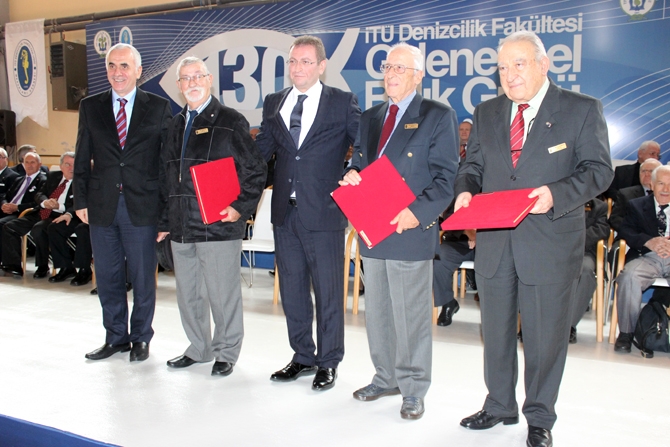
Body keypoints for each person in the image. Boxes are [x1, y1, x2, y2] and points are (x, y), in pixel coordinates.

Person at [454, 31, 613, 447]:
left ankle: (540, 417)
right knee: (496, 332)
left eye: (519, 64)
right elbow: (472, 167)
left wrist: (555, 195)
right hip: (494, 241)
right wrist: (465, 191)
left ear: (544, 65)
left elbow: (599, 170)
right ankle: (499, 404)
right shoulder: (486, 112)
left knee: (544, 339)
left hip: (549, 241)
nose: (509, 75)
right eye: (502, 68)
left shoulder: (581, 109)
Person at [341, 42, 459, 420]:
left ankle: (413, 388)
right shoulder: (370, 117)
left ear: (418, 76)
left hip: (410, 228)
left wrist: (417, 214)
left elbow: (446, 179)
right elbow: (360, 162)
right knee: (378, 313)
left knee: (410, 316)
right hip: (373, 227)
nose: (391, 74)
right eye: (388, 67)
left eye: (400, 68)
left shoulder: (437, 115)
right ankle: (385, 377)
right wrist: (351, 173)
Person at [255, 35, 360, 391]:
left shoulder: (341, 102)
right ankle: (302, 355)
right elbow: (259, 151)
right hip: (284, 212)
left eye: (305, 61)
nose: (297, 68)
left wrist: (354, 168)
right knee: (293, 289)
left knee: (328, 291)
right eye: (293, 61)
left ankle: (328, 361)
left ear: (321, 65)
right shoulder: (275, 102)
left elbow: (361, 142)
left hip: (324, 211)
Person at [158, 56, 266, 376]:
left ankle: (226, 351)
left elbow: (255, 169)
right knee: (188, 295)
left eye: (198, 76)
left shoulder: (231, 121)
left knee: (222, 295)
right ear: (179, 86)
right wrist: (164, 221)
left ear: (209, 80)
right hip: (181, 225)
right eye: (186, 78)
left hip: (217, 224)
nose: (192, 83)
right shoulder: (174, 125)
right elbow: (166, 177)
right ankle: (199, 348)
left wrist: (240, 206)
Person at [74, 43, 172, 363]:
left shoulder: (158, 107)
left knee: (143, 277)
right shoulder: (90, 107)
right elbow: (82, 156)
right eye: (112, 66)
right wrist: (80, 199)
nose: (118, 72)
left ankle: (141, 337)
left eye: (125, 66)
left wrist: (165, 214)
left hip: (142, 206)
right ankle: (115, 337)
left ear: (138, 71)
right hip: (101, 205)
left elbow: (166, 164)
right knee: (108, 276)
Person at [614, 165, 670, 353]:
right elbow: (626, 230)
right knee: (629, 277)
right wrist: (649, 241)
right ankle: (626, 334)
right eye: (661, 184)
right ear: (652, 185)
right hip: (647, 256)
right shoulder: (636, 205)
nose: (666, 189)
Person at [2, 152, 75, 279]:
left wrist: (59, 206)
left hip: (60, 214)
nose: (71, 168)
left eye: (74, 165)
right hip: (40, 211)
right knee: (9, 227)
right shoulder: (53, 176)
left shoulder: (81, 181)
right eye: (67, 164)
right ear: (61, 166)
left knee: (39, 229)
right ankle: (13, 266)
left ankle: (42, 265)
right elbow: (40, 194)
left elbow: (79, 202)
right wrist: (45, 202)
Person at [570, 198, 609, 343]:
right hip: (555, 252)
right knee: (538, 268)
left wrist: (574, 240)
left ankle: (569, 326)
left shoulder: (599, 206)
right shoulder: (557, 202)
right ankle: (532, 325)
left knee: (586, 272)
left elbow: (602, 230)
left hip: (584, 252)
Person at [0, 152, 47, 270]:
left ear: (39, 164)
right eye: (26, 162)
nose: (29, 165)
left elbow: (38, 203)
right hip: (10, 211)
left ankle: (12, 264)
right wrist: (4, 204)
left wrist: (17, 207)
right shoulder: (19, 179)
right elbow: (5, 195)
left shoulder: (43, 181)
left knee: (4, 225)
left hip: (26, 213)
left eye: (32, 162)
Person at [432, 202, 475, 327]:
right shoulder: (458, 190)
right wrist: (469, 231)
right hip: (459, 240)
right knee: (439, 258)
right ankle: (448, 302)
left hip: (490, 240)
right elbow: (450, 216)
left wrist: (479, 236)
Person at [609, 158, 661, 232]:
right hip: (633, 235)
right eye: (643, 171)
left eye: (651, 171)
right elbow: (615, 219)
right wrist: (634, 231)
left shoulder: (666, 194)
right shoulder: (626, 194)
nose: (646, 174)